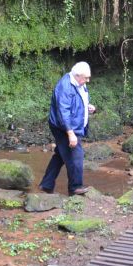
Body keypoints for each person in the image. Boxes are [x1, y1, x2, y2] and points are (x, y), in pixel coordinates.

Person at [39, 62, 96, 196]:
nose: (88, 80)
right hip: (63, 127)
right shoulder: (64, 87)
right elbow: (63, 112)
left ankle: (46, 184)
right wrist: (70, 133)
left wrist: (88, 107)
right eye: (86, 78)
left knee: (60, 155)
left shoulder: (79, 83)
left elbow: (79, 100)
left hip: (71, 124)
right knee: (76, 154)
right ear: (77, 75)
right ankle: (75, 187)